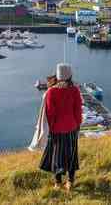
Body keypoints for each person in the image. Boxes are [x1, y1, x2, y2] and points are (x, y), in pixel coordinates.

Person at [40, 63, 83, 191]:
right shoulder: (75, 90)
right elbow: (78, 111)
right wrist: (77, 125)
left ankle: (57, 183)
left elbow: (50, 113)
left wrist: (52, 127)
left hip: (56, 129)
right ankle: (70, 181)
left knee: (56, 156)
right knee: (72, 155)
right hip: (72, 127)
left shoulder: (51, 91)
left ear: (58, 76)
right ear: (70, 75)